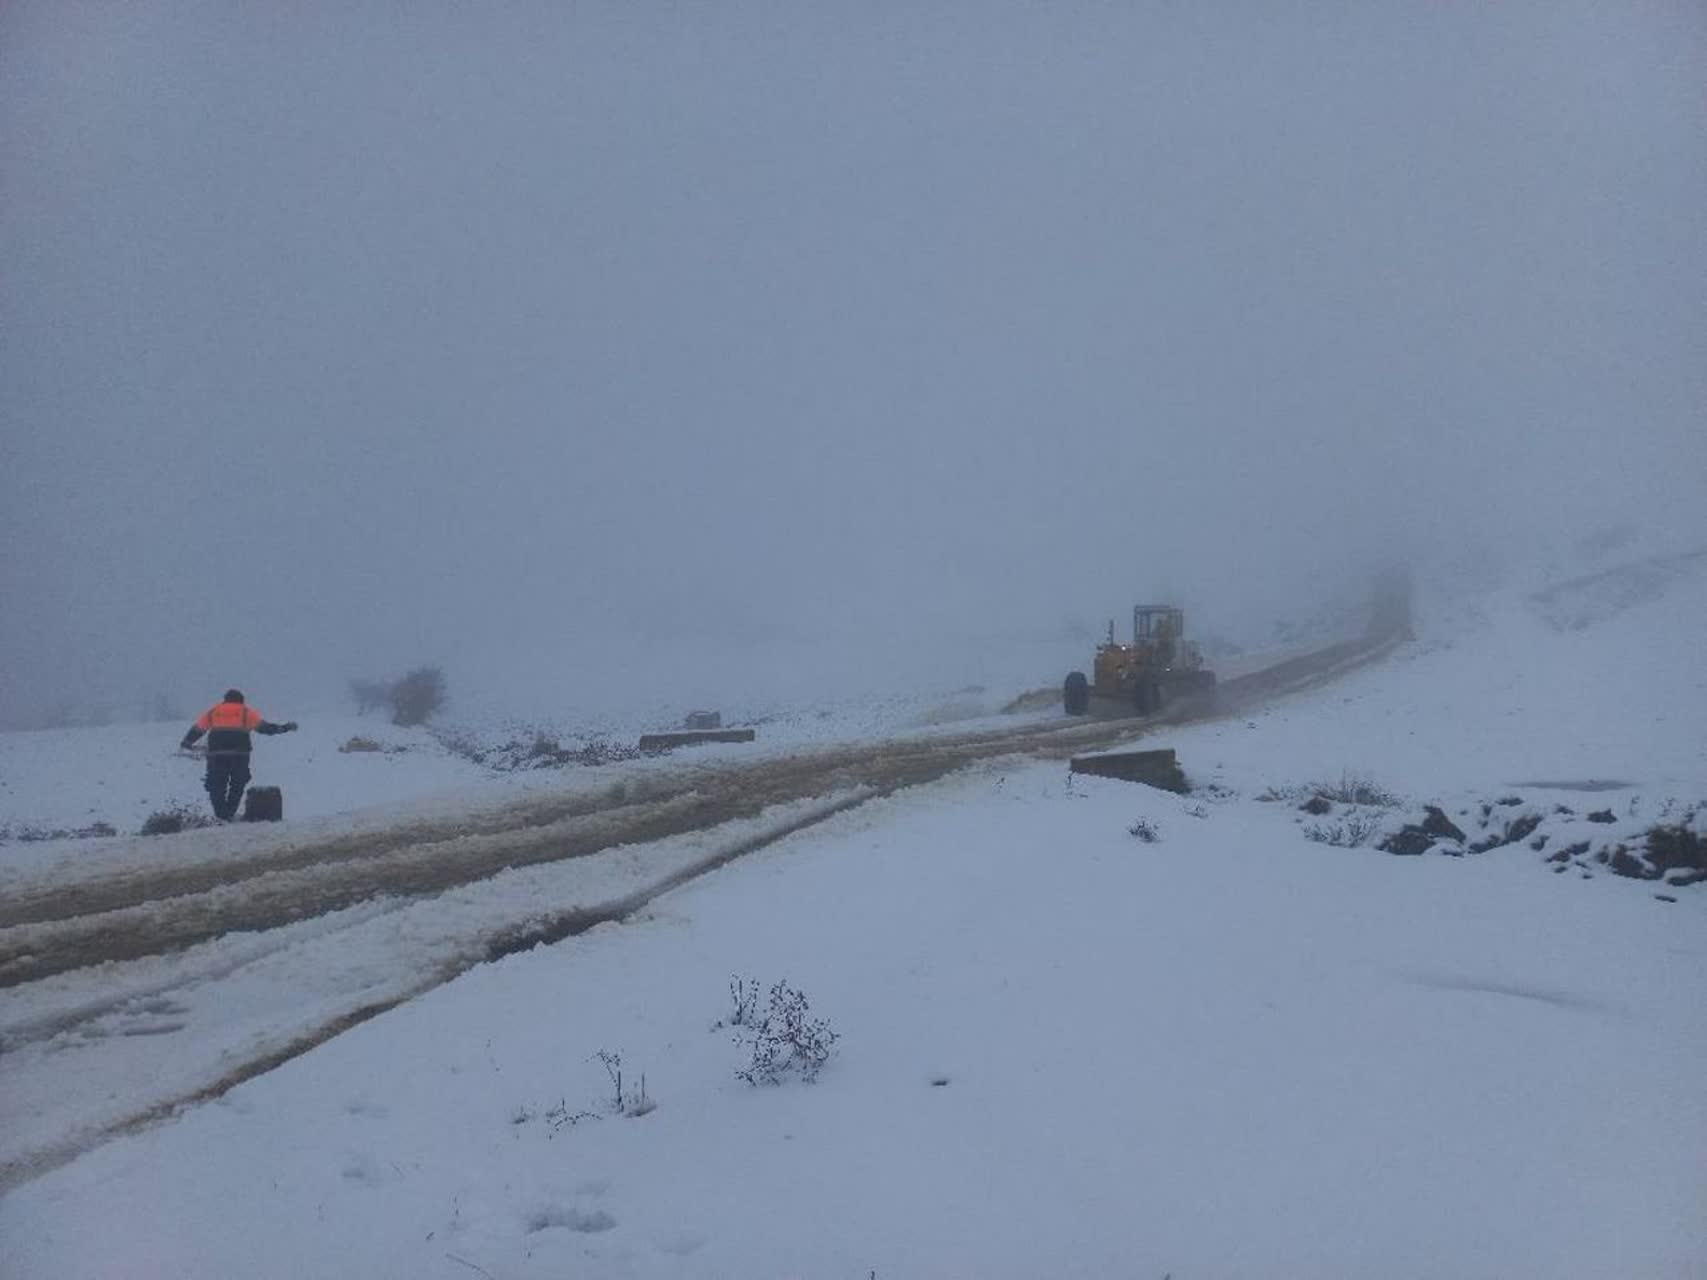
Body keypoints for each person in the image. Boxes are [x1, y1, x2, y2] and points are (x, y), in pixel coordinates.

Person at [179, 689, 298, 820]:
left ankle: (221, 815)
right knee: (238, 783)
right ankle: (229, 812)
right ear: (241, 700)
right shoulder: (245, 711)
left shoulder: (213, 711)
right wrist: (285, 727)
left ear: (225, 700)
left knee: (216, 784)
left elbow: (198, 729)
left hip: (216, 755)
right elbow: (265, 729)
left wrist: (187, 742)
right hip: (240, 755)